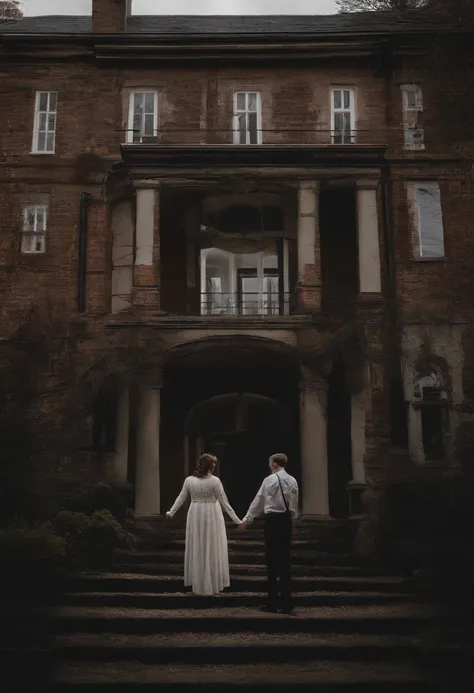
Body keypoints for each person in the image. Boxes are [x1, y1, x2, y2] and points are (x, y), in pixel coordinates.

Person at [165, 453, 241, 596]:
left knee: (200, 545)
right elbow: (225, 503)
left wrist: (171, 512)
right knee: (211, 545)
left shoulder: (189, 480)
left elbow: (181, 497)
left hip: (196, 512)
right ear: (211, 466)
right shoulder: (215, 481)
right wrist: (238, 520)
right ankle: (208, 583)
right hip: (211, 512)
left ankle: (201, 583)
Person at [239, 453, 299, 614]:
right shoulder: (293, 480)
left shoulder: (269, 480)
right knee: (285, 560)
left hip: (273, 520)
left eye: (269, 462)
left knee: (272, 560)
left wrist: (247, 520)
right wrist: (290, 516)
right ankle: (287, 602)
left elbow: (258, 501)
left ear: (274, 464)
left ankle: (272, 602)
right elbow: (294, 505)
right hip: (286, 520)